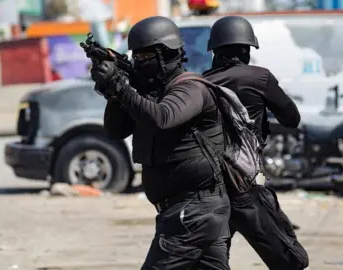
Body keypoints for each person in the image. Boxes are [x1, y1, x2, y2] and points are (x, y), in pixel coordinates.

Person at [91, 16, 231, 269]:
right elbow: (115, 130)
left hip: (194, 211)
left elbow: (163, 118)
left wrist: (122, 88)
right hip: (187, 211)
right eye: (136, 58)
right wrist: (114, 94)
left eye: (145, 58)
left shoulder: (190, 89)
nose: (138, 63)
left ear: (167, 55)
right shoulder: (146, 95)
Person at [203, 16, 309, 270]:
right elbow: (292, 118)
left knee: (212, 262)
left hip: (209, 188)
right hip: (246, 188)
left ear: (215, 51)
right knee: (292, 260)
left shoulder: (203, 82)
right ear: (245, 49)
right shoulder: (259, 77)